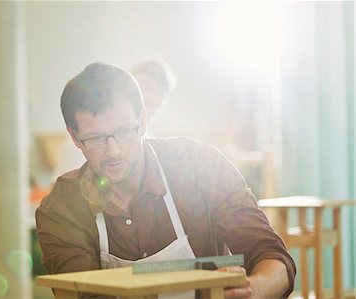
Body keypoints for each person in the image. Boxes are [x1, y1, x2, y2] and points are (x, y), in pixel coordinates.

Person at [35, 62, 296, 299]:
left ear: (143, 121)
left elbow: (272, 257)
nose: (113, 151)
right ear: (74, 137)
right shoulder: (61, 209)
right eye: (95, 139)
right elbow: (84, 296)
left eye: (124, 132)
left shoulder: (199, 166)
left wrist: (253, 291)